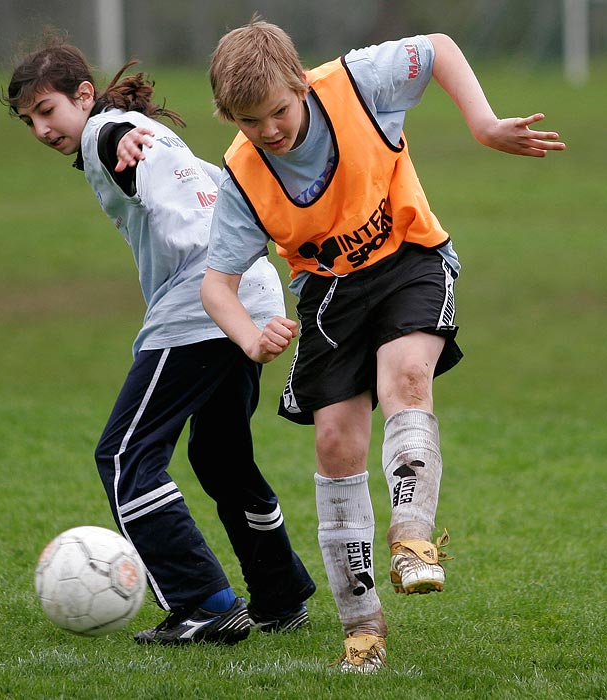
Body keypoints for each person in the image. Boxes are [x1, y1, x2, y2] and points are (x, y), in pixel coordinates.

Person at [200, 18, 565, 671]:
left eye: (279, 112)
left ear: (299, 83)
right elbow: (217, 286)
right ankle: (363, 627)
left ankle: (412, 539)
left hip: (411, 260)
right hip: (331, 294)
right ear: (231, 115)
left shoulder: (359, 82)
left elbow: (441, 51)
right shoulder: (241, 175)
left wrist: (482, 124)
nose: (270, 131)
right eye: (250, 121)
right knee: (335, 443)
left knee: (407, 380)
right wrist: (251, 336)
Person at [2, 36, 316, 646]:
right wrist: (122, 136)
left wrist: (114, 139)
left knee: (123, 456)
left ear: (84, 96)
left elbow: (109, 139)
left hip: (203, 301)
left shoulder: (109, 134)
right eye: (28, 120)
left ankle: (203, 602)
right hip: (249, 287)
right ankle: (280, 597)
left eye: (48, 110)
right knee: (221, 457)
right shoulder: (139, 127)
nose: (41, 128)